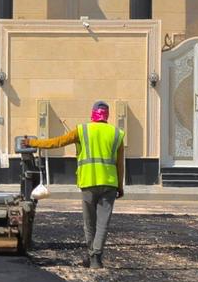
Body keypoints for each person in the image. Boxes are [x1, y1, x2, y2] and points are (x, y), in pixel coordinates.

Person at [26, 100, 125, 269]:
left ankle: (91, 255)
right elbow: (120, 163)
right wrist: (120, 186)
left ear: (92, 113)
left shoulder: (82, 130)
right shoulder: (117, 133)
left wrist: (32, 143)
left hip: (88, 182)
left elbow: (56, 142)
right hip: (109, 183)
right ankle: (96, 258)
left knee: (89, 223)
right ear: (107, 115)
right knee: (103, 223)